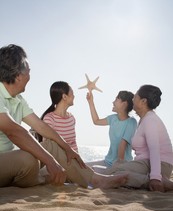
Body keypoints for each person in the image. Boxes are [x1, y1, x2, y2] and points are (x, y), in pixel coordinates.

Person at [0, 44, 127, 189]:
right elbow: (14, 131)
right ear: (18, 76)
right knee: (27, 159)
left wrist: (67, 148)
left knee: (51, 145)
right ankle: (43, 179)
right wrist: (50, 161)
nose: (30, 73)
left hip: (8, 160)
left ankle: (95, 179)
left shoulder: (18, 99)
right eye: (28, 70)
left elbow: (41, 127)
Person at [105, 84, 173, 192]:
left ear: (143, 101)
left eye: (135, 96)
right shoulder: (143, 120)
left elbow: (154, 150)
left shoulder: (150, 120)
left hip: (160, 165)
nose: (132, 99)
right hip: (146, 163)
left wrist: (155, 178)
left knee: (116, 173)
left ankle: (161, 182)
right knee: (117, 166)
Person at [86, 90, 137, 171]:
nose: (113, 102)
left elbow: (122, 145)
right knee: (82, 166)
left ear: (124, 104)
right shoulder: (113, 118)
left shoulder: (131, 122)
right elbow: (96, 121)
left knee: (91, 171)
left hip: (122, 165)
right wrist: (90, 102)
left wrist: (117, 168)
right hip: (107, 162)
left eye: (116, 100)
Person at [36, 81, 78, 152]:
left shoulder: (71, 118)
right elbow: (47, 148)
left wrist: (79, 161)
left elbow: (73, 144)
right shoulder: (49, 119)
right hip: (58, 161)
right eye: (72, 93)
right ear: (64, 96)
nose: (74, 96)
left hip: (73, 160)